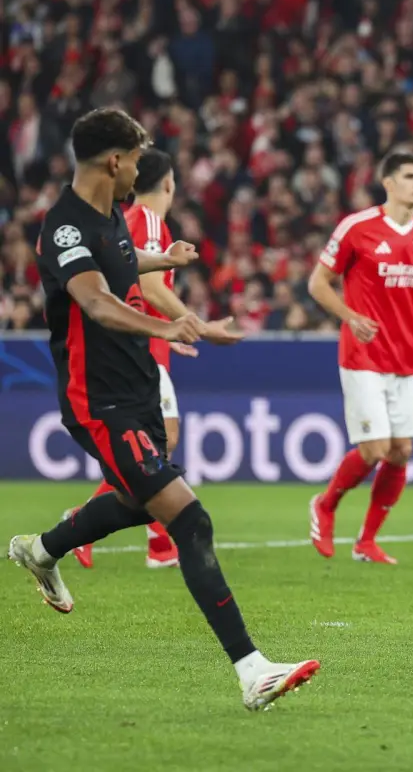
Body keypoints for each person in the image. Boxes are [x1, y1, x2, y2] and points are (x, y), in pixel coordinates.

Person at [6, 108, 318, 710]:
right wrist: (169, 325)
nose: (142, 172)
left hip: (139, 389)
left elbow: (121, 264)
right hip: (98, 400)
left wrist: (165, 265)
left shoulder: (110, 221)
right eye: (138, 158)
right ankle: (252, 671)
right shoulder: (65, 226)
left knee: (134, 501)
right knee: (189, 519)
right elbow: (95, 301)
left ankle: (41, 549)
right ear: (115, 161)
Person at [307, 150, 413, 564]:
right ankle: (325, 504)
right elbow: (318, 283)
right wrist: (350, 317)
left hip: (408, 359)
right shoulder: (358, 227)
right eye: (409, 176)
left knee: (401, 451)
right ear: (387, 182)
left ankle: (366, 541)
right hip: (363, 354)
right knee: (374, 449)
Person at [67, 148, 188, 570]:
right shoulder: (151, 223)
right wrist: (189, 322)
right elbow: (151, 287)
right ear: (168, 183)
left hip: (136, 346)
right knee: (160, 443)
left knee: (156, 445)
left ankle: (159, 546)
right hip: (142, 353)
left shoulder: (123, 223)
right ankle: (89, 526)